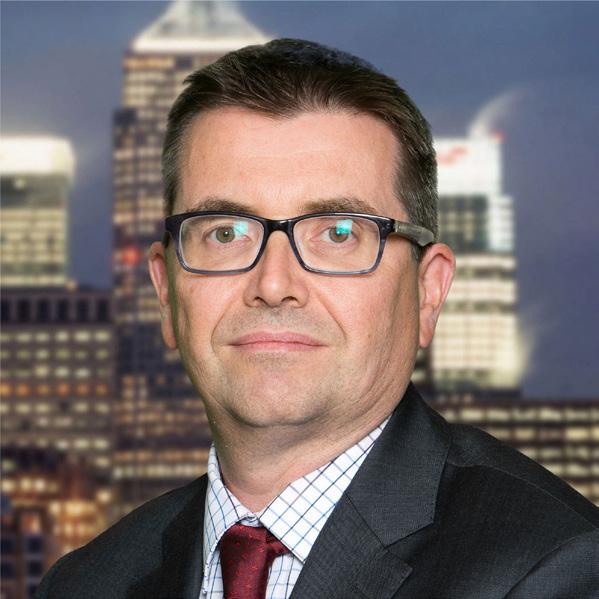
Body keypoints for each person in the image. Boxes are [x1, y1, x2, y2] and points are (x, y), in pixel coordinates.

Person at [36, 38, 598, 599]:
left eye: (338, 232)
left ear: (428, 291)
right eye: (225, 233)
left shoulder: (556, 569)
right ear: (165, 291)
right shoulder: (84, 584)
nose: (274, 285)